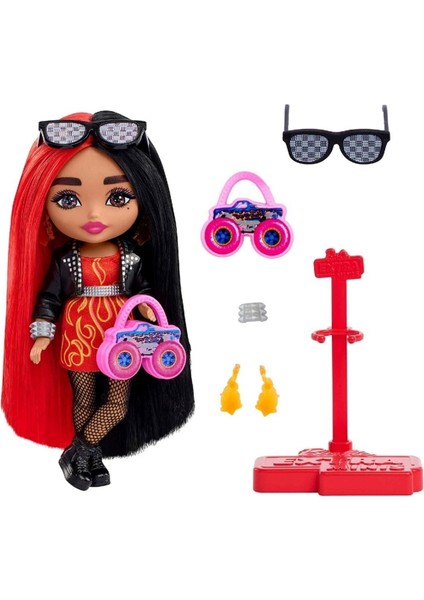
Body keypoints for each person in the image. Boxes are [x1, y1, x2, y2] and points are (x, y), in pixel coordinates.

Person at [2, 111, 194, 490]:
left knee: (117, 403)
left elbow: (143, 289)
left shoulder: (130, 258)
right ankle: (92, 459)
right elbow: (50, 298)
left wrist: (146, 305)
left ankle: (78, 451)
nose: (93, 213)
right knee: (84, 399)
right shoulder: (66, 261)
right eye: (67, 198)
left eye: (117, 197)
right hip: (78, 332)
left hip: (121, 333)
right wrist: (42, 334)